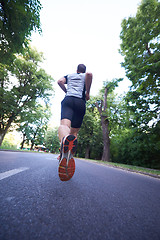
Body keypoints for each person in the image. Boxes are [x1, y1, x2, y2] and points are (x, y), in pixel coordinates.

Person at [57, 64, 92, 181]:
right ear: (83, 71)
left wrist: (66, 91)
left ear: (77, 70)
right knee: (74, 132)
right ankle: (69, 154)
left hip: (68, 100)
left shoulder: (70, 76)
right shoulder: (85, 76)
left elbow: (59, 81)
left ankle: (63, 147)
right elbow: (89, 75)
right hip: (80, 103)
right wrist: (87, 92)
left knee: (64, 125)